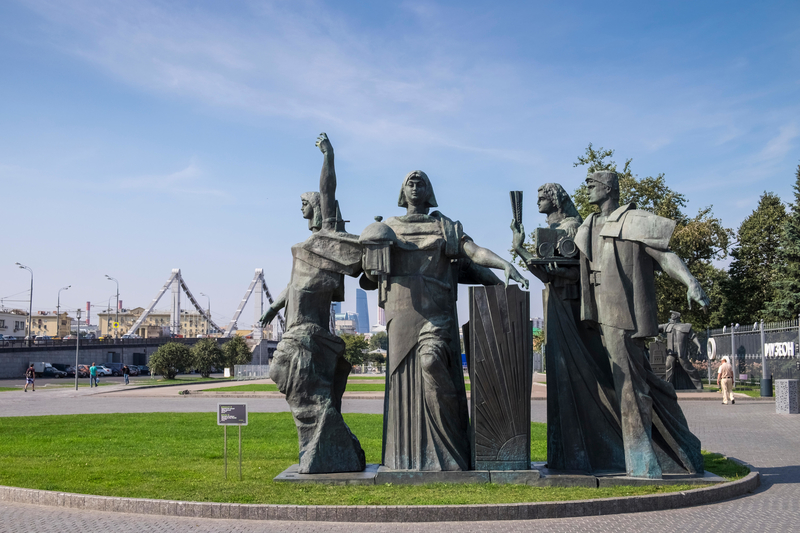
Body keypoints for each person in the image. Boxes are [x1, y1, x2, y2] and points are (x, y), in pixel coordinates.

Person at [377, 170, 529, 471]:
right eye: (411, 182)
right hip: (401, 315)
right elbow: (370, 271)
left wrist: (503, 264)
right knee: (405, 383)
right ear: (402, 191)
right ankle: (409, 459)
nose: (415, 186)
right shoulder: (388, 228)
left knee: (431, 361)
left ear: (429, 190)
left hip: (437, 313)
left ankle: (451, 442)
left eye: (421, 182)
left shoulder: (445, 226)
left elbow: (474, 253)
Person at [574, 170, 709, 479]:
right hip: (600, 315)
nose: (588, 191)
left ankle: (642, 462)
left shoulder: (634, 220)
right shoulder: (590, 224)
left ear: (607, 188)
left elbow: (664, 255)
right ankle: (683, 449)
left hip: (623, 315)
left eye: (592, 185)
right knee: (644, 382)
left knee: (630, 387)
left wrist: (691, 281)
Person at [259, 133, 366, 474]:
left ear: (318, 207)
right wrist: (275, 307)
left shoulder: (325, 242)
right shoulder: (305, 248)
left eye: (305, 202)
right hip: (297, 329)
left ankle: (324, 444)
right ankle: (327, 446)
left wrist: (328, 156)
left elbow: (328, 190)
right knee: (303, 393)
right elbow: (294, 286)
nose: (301, 207)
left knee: (283, 374)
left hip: (308, 336)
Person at [511, 183, 625, 473]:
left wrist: (556, 269)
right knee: (561, 380)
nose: (538, 202)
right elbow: (545, 275)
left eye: (542, 197)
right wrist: (518, 247)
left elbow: (580, 271)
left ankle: (587, 451)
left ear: (555, 199)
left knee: (575, 378)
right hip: (556, 306)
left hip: (571, 309)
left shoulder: (574, 227)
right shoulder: (555, 227)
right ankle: (565, 454)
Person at [659, 311, 704, 390]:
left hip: (681, 352)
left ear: (676, 316)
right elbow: (656, 328)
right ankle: (667, 387)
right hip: (671, 352)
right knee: (668, 367)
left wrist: (699, 345)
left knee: (688, 368)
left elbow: (693, 336)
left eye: (672, 315)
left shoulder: (685, 327)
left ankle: (699, 386)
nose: (671, 316)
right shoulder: (667, 326)